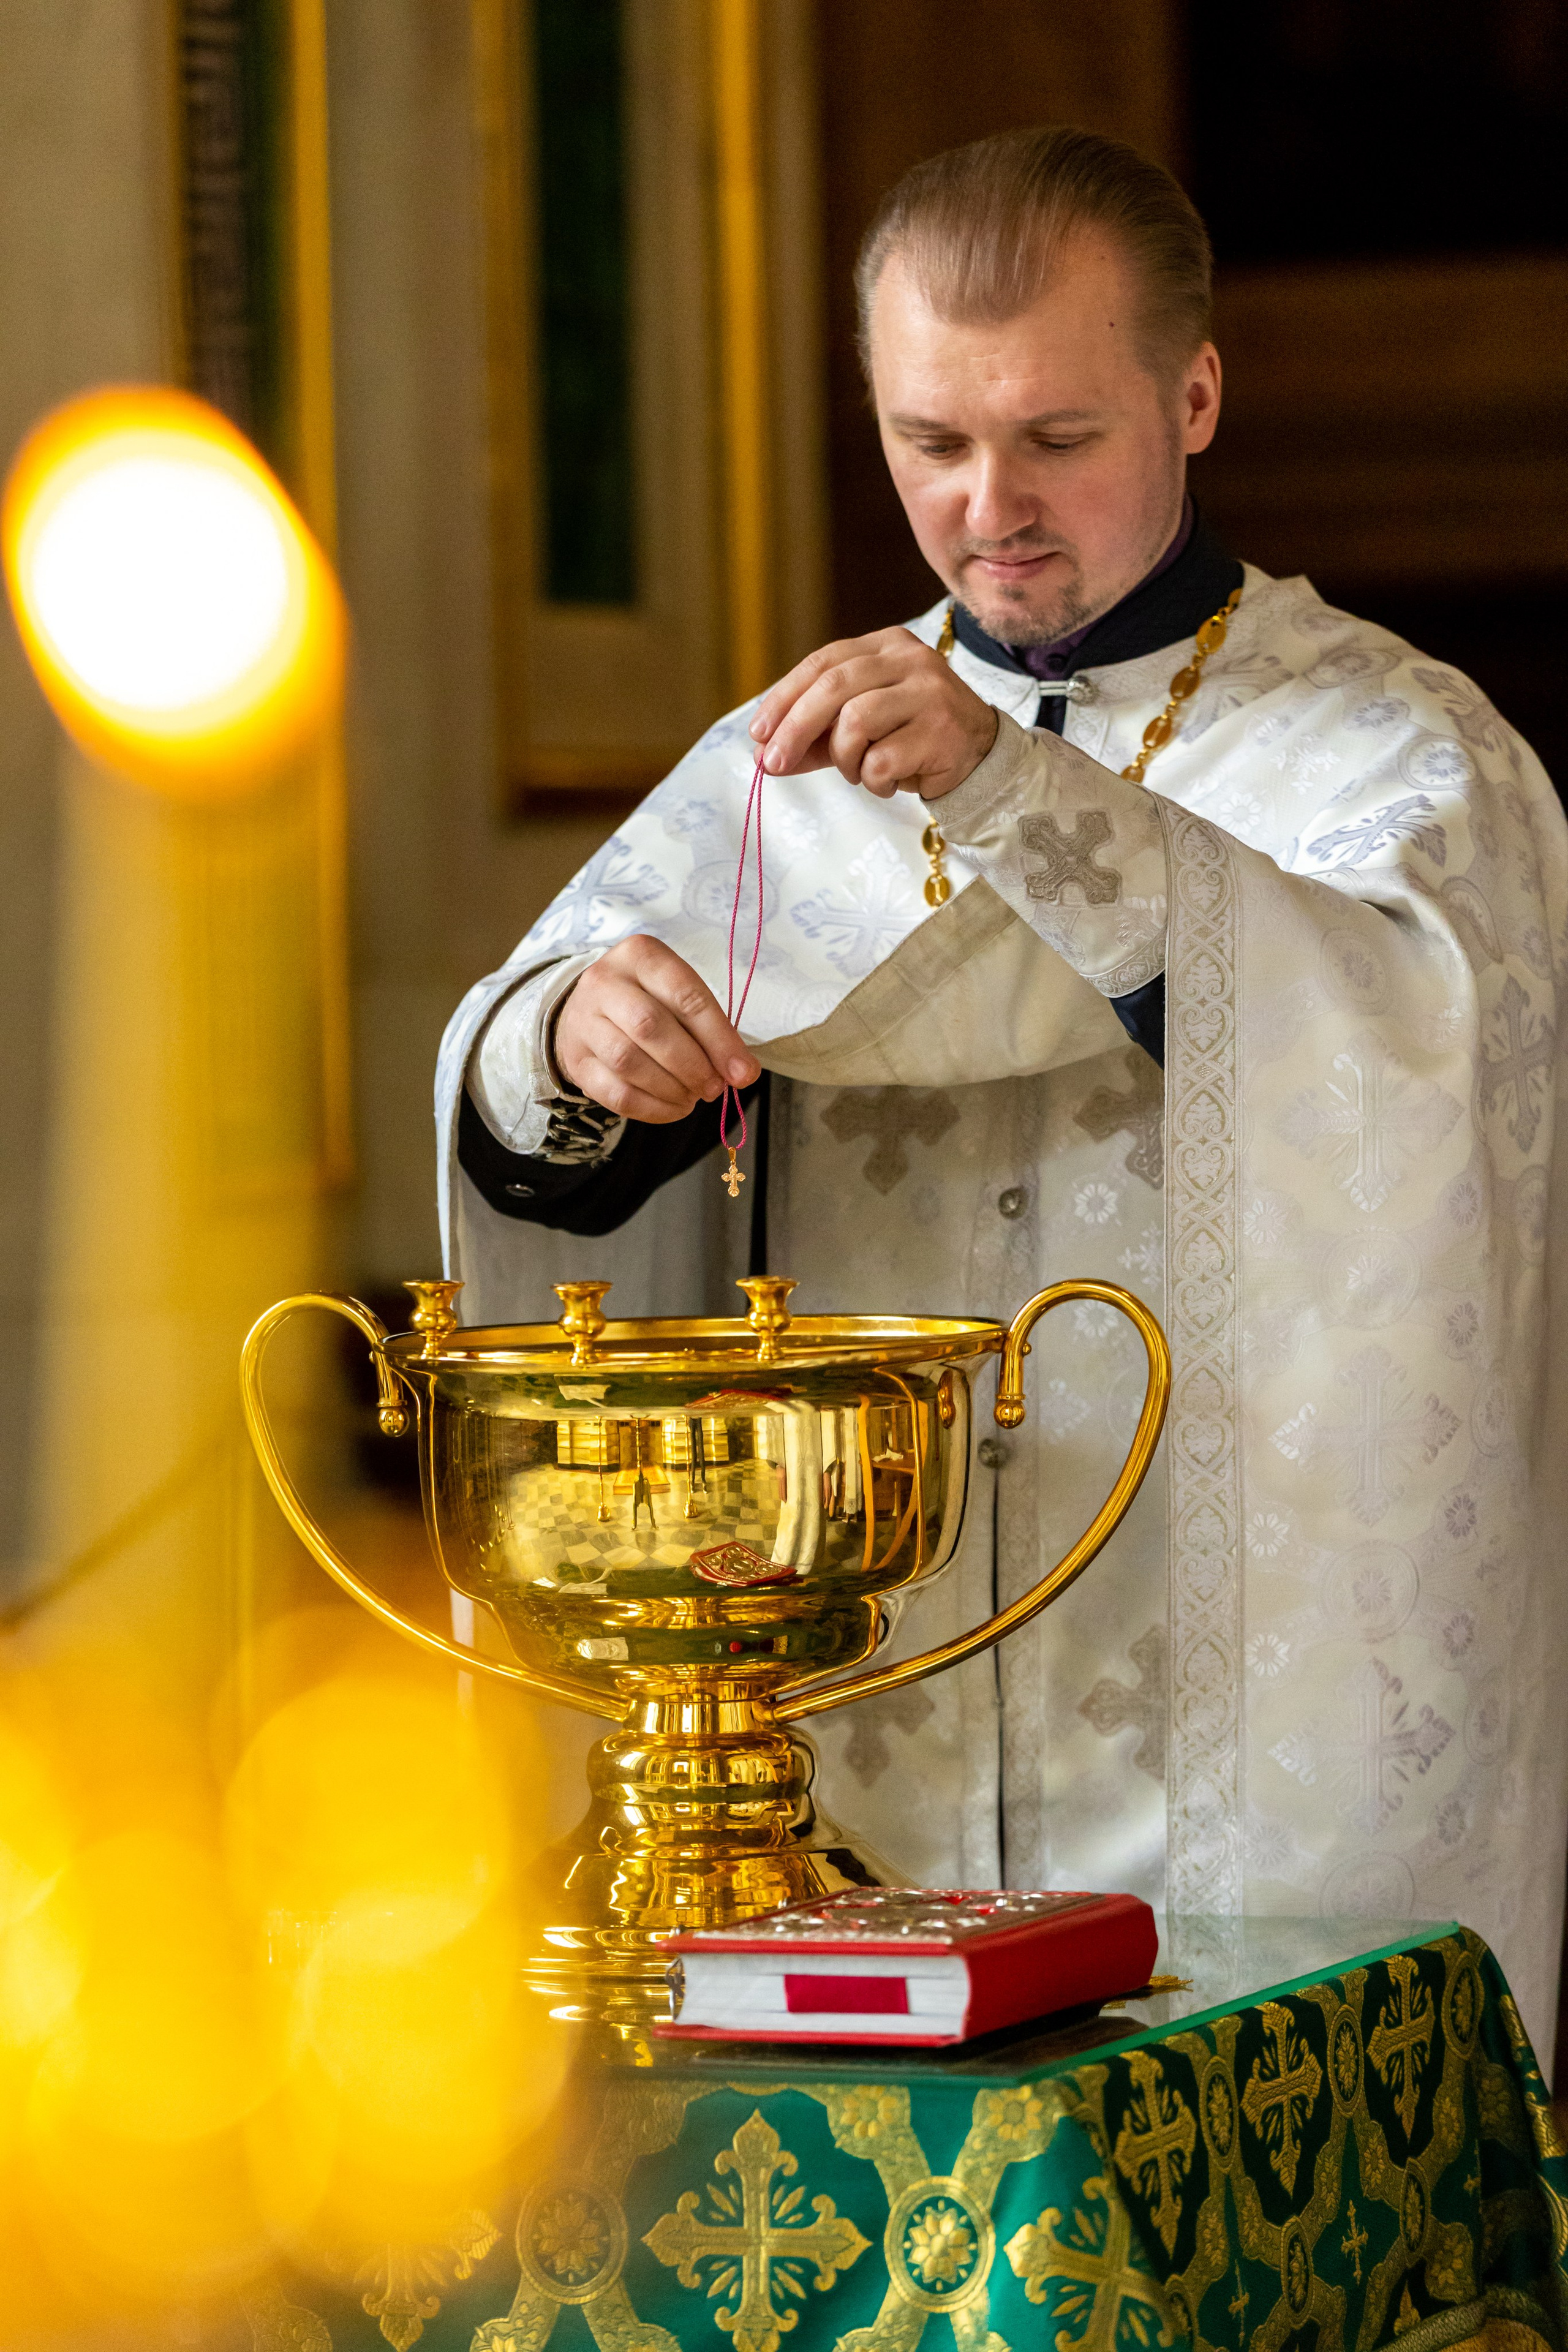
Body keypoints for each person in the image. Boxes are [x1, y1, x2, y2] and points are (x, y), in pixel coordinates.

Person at [434, 126, 1568, 2041]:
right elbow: (540, 1153)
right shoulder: (788, 761)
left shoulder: (1403, 750)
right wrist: (567, 1046)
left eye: (1057, 436)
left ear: (1196, 394)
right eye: (929, 441)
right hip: (875, 1744)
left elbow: (1406, 1099)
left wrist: (1007, 790)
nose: (987, 511)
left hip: (1269, 1785)